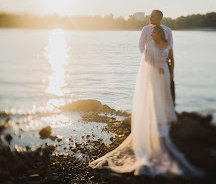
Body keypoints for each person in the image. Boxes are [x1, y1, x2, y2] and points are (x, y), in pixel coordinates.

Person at [88, 24, 205, 178]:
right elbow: (147, 61)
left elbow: (172, 59)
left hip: (164, 73)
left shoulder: (168, 44)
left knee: (165, 96)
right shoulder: (150, 45)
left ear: (160, 33)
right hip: (155, 73)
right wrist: (157, 68)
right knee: (155, 95)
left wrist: (171, 74)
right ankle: (155, 116)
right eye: (152, 32)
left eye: (155, 32)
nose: (152, 35)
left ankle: (168, 116)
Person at [139, 10, 175, 106]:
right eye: (150, 16)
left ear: (159, 18)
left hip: (164, 63)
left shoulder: (168, 30)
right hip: (149, 64)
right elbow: (141, 45)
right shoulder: (145, 29)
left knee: (166, 89)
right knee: (151, 89)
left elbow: (170, 45)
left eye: (152, 16)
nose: (149, 18)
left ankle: (168, 112)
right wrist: (148, 56)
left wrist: (165, 57)